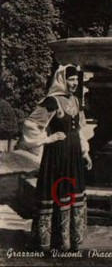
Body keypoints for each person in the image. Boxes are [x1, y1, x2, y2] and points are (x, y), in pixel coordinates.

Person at [21, 64, 92, 251]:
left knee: (72, 191)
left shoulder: (76, 101)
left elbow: (79, 131)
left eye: (76, 79)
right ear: (62, 80)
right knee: (56, 192)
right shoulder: (51, 101)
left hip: (74, 155)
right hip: (57, 157)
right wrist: (47, 138)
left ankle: (71, 240)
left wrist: (85, 152)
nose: (74, 83)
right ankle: (52, 241)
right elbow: (30, 124)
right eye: (71, 79)